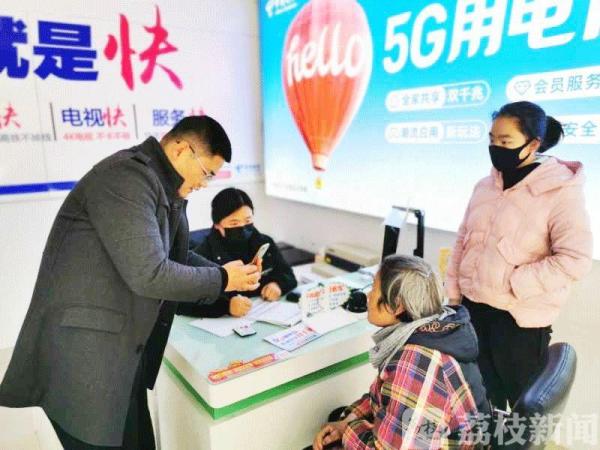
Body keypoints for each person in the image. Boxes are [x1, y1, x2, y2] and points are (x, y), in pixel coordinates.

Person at [0, 116, 262, 450]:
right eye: (207, 173)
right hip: (86, 358)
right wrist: (223, 278)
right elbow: (150, 272)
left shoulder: (162, 186)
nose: (204, 183)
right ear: (181, 150)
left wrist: (227, 275)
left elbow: (176, 256)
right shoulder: (125, 178)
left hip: (122, 354)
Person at [446, 101, 593, 410]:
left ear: (533, 144)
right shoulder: (484, 186)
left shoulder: (560, 190)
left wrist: (515, 283)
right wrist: (454, 296)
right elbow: (463, 241)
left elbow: (575, 258)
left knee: (520, 412)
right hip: (472, 313)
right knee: (476, 403)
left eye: (505, 141)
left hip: (518, 322)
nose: (495, 148)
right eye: (492, 140)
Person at [313, 255, 489, 450]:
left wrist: (348, 430)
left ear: (397, 306)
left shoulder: (416, 361)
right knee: (340, 416)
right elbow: (384, 395)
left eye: (374, 288)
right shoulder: (434, 331)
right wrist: (349, 420)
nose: (368, 295)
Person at [178, 187, 298, 318]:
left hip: (264, 313)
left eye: (248, 221)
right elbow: (183, 302)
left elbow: (288, 274)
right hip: (224, 324)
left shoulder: (264, 242)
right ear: (217, 225)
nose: (242, 228)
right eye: (234, 223)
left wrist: (278, 285)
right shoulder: (202, 254)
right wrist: (226, 306)